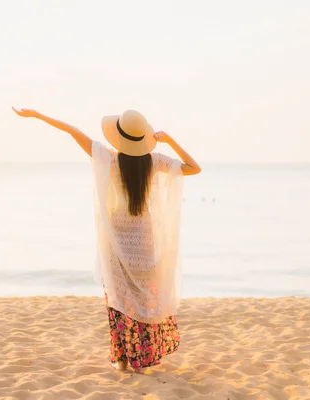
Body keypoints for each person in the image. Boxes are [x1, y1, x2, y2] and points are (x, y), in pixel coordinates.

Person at [12, 106, 201, 372]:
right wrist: (169, 140)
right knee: (145, 300)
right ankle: (143, 358)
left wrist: (38, 116)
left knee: (119, 301)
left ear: (119, 137)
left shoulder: (109, 160)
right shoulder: (155, 162)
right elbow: (194, 167)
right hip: (144, 245)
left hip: (117, 245)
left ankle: (123, 358)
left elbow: (73, 132)